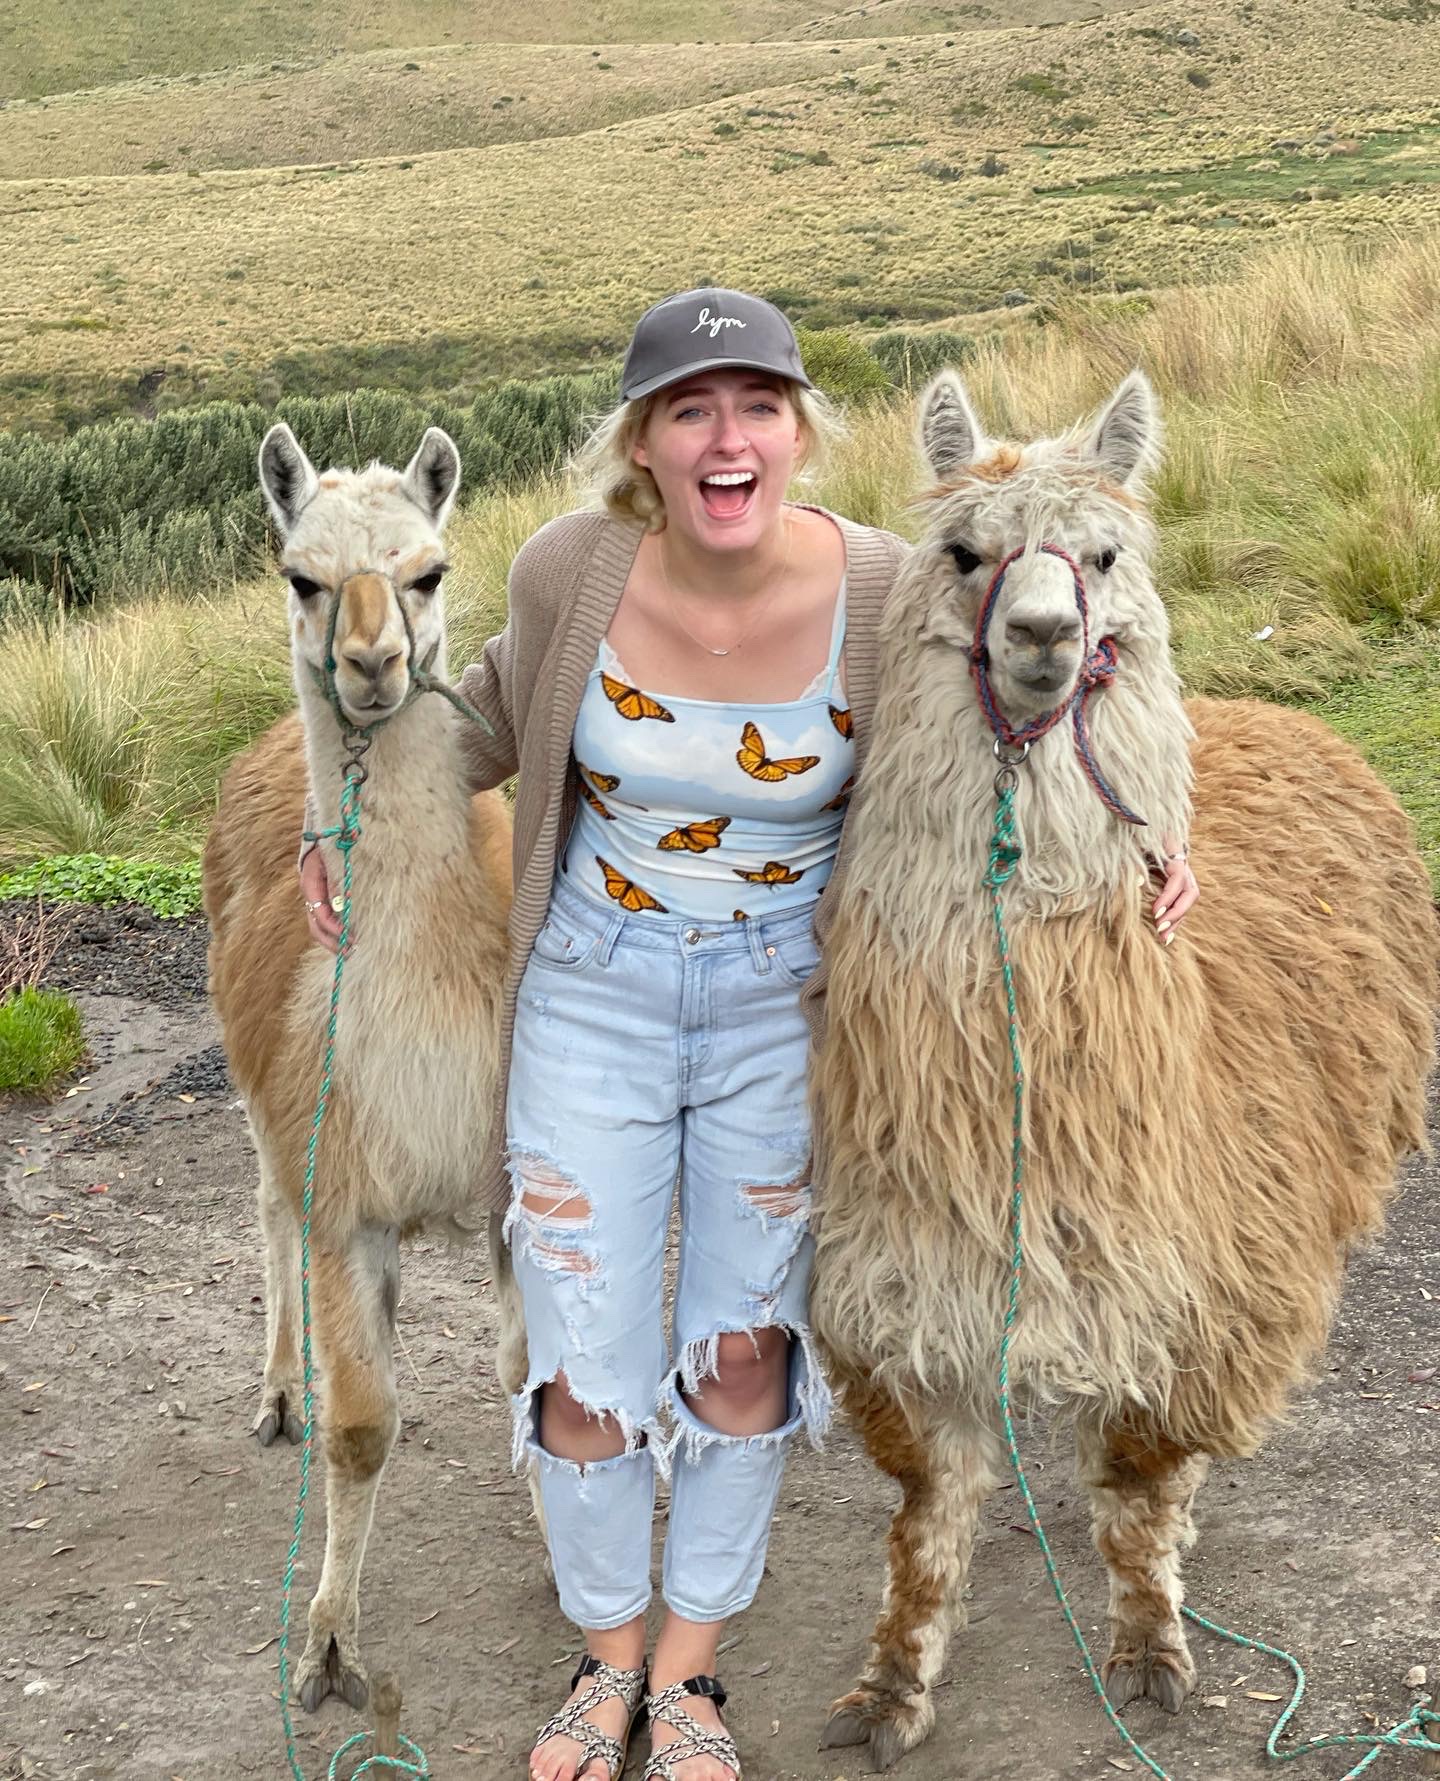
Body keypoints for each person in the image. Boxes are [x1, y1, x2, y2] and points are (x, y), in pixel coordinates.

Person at [298, 288, 1199, 1781]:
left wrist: (1167, 829)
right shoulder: (568, 571)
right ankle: (606, 1660)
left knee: (741, 1358)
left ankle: (692, 1674)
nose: (727, 437)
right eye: (690, 409)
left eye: (757, 407)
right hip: (592, 989)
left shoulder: (890, 582)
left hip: (788, 1008)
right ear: (642, 440)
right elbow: (474, 732)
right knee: (585, 1366)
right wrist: (335, 812)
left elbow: (1065, 689)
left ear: (796, 431)